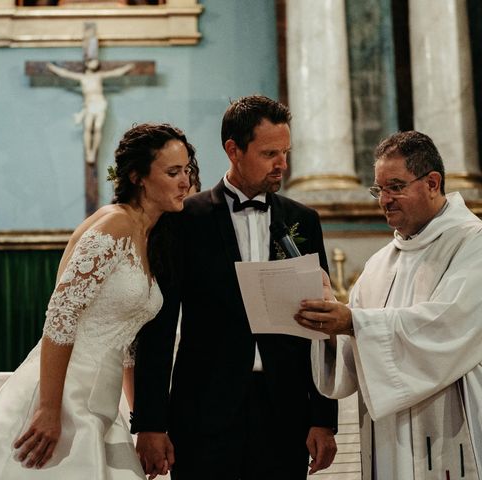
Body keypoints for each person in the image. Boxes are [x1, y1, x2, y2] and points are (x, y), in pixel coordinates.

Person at [0, 123, 198, 479]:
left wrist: (143, 423)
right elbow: (60, 317)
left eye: (186, 170)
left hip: (103, 402)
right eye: (172, 172)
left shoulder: (149, 237)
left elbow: (126, 345)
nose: (185, 181)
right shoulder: (114, 226)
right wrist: (49, 409)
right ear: (139, 176)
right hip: (64, 394)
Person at [132, 95, 338, 479]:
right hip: (203, 413)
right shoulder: (183, 220)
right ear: (233, 149)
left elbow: (319, 327)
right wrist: (150, 423)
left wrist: (323, 419)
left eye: (286, 152)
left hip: (284, 415)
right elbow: (158, 326)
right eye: (270, 153)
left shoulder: (303, 220)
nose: (283, 164)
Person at [295, 130, 482, 479]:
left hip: (449, 430)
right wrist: (329, 325)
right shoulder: (379, 263)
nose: (384, 200)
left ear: (432, 182)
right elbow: (352, 361)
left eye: (395, 186)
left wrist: (352, 322)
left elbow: (446, 326)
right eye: (379, 189)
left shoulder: (472, 245)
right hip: (387, 438)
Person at [47, 59, 134, 164]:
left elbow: (115, 73)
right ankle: (88, 151)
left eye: (96, 62)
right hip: (89, 105)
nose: (95, 63)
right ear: (87, 64)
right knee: (88, 128)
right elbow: (65, 74)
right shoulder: (82, 77)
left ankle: (93, 151)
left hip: (100, 104)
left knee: (97, 128)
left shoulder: (99, 76)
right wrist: (53, 68)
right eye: (93, 61)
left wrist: (127, 68)